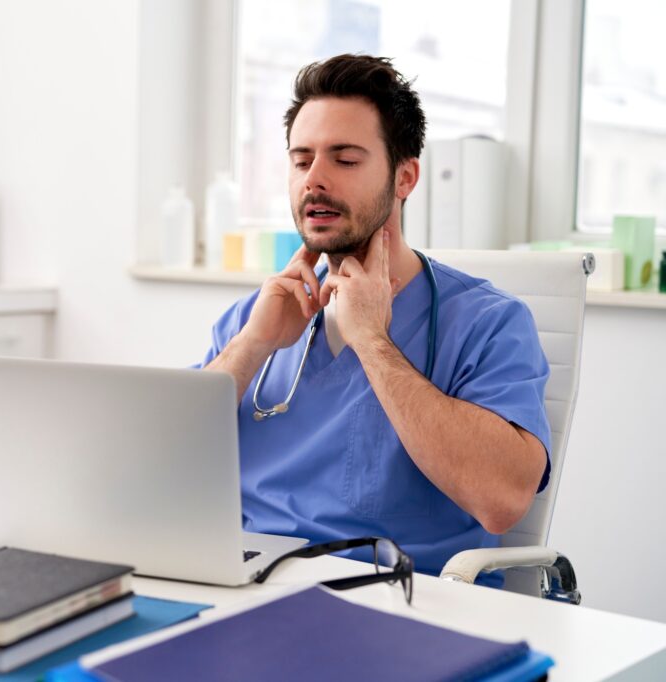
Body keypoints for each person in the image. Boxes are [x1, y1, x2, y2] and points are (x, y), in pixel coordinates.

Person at [199, 54, 550, 586]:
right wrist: (253, 345)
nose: (314, 180)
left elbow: (501, 503)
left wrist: (371, 340)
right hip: (245, 586)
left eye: (344, 159)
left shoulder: (487, 322)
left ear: (405, 176)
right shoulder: (256, 317)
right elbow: (158, 472)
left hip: (400, 597)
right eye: (301, 160)